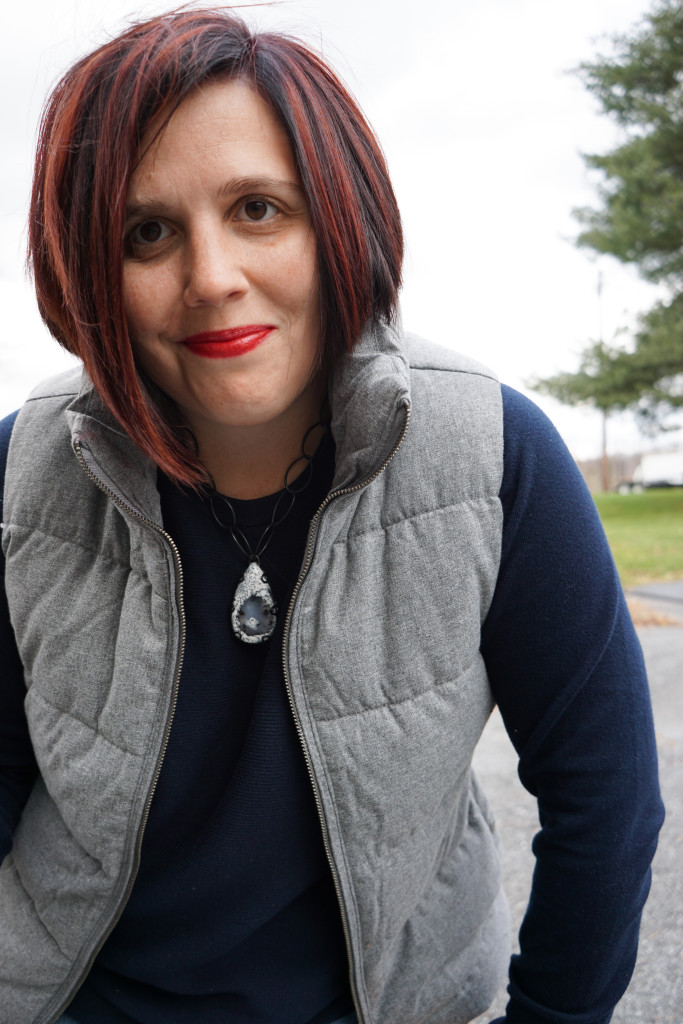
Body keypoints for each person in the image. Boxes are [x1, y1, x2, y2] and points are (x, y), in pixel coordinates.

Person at [0, 9, 664, 1024]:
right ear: (91, 270)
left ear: (337, 218)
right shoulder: (20, 470)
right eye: (147, 231)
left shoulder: (491, 455)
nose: (212, 276)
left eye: (258, 209)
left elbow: (604, 800)